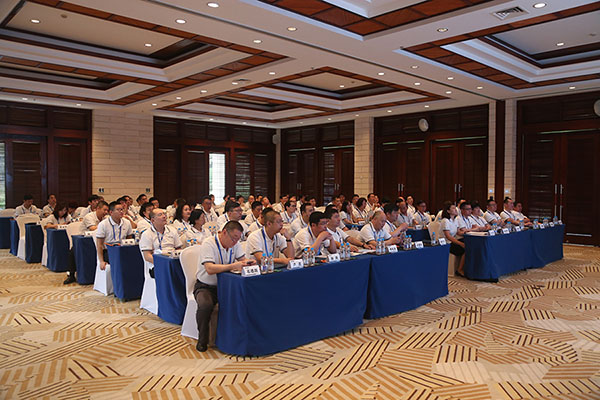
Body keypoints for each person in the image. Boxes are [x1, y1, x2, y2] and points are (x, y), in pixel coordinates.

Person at [195, 221, 255, 351]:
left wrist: (249, 263)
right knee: (205, 305)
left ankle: (236, 338)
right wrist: (233, 266)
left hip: (227, 285)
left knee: (244, 300)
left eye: (238, 239)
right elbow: (209, 268)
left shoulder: (235, 244)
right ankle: (203, 339)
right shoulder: (209, 243)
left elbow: (242, 260)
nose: (235, 242)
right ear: (224, 233)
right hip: (206, 286)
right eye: (233, 238)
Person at [95, 201, 134, 271]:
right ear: (111, 212)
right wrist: (101, 261)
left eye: (122, 209)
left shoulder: (127, 222)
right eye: (118, 210)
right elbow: (99, 244)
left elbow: (129, 239)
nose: (121, 212)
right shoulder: (103, 224)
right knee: (118, 262)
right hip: (109, 251)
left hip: (123, 249)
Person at [441, 203, 465, 276]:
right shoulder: (445, 221)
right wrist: (460, 243)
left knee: (469, 243)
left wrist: (468, 232)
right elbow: (448, 236)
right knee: (466, 248)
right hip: (446, 243)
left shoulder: (455, 220)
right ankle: (459, 269)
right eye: (453, 208)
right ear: (448, 211)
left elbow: (458, 232)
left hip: (453, 241)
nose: (456, 210)